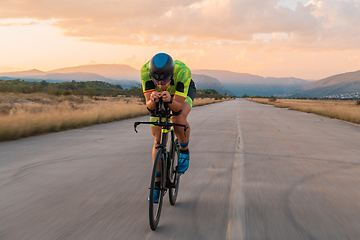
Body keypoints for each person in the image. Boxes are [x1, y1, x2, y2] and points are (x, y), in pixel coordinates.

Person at [141, 53, 196, 202]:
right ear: (151, 75)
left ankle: (184, 150)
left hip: (181, 93)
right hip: (160, 97)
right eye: (156, 80)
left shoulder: (183, 72)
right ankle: (157, 186)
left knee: (177, 117)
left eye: (165, 80)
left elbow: (177, 107)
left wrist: (170, 100)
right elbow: (149, 106)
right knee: (158, 139)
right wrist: (153, 100)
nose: (160, 84)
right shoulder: (145, 71)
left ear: (171, 75)